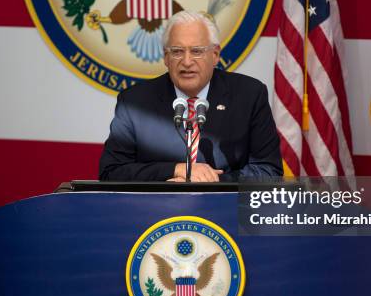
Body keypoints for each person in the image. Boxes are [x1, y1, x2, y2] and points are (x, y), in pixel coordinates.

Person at [98, 11, 283, 182]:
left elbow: (269, 171)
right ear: (165, 57)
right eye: (177, 51)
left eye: (197, 51)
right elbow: (111, 172)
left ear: (215, 55)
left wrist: (211, 181)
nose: (187, 62)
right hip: (155, 211)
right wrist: (176, 170)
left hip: (226, 211)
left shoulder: (249, 95)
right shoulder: (134, 102)